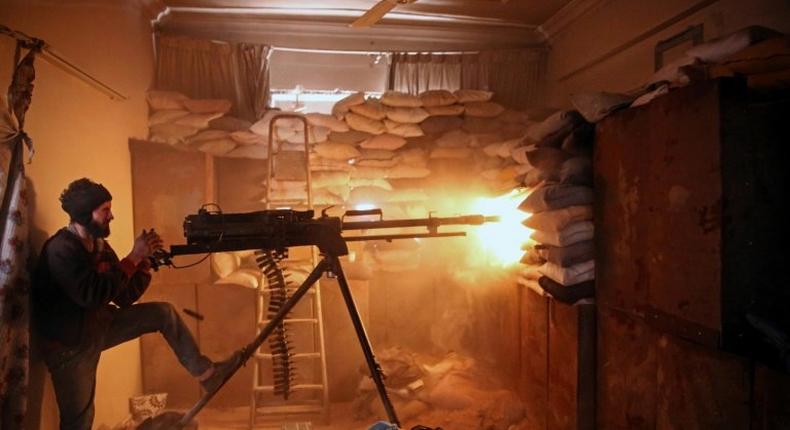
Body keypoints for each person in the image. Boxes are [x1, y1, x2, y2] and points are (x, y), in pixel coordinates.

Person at [31, 178, 240, 430]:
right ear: (86, 214)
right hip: (70, 347)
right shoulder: (60, 249)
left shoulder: (99, 246)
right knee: (79, 422)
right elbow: (92, 295)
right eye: (105, 210)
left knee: (162, 313)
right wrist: (133, 257)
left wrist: (144, 264)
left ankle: (207, 375)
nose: (112, 216)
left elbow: (123, 296)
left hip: (97, 327)